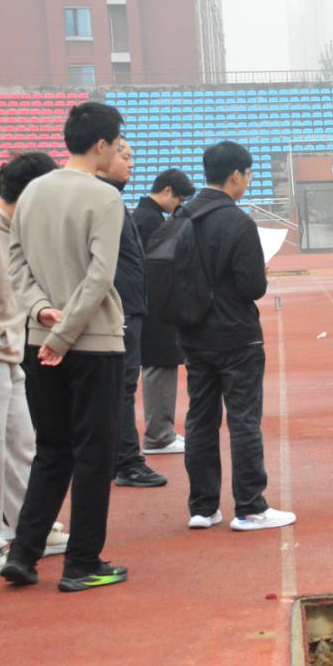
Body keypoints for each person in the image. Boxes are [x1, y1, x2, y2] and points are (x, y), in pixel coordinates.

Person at [3, 102, 130, 592]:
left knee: (52, 450)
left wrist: (41, 312)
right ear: (100, 145)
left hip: (39, 342)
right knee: (95, 455)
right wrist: (66, 333)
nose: (119, 152)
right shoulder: (104, 198)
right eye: (116, 144)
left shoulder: (33, 190)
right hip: (93, 344)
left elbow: (16, 263)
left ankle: (23, 554)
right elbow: (100, 277)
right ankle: (82, 563)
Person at [179, 141, 296, 531]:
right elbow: (252, 287)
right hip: (235, 335)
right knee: (244, 419)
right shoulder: (238, 222)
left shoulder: (181, 216)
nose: (248, 181)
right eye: (247, 174)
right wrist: (258, 271)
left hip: (194, 332)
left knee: (200, 418)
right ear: (235, 175)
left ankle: (202, 507)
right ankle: (249, 506)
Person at [0, 154, 70, 575]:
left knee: (21, 446)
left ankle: (31, 526)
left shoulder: (10, 231)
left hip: (4, 354)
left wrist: (36, 313)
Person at [97, 140, 169, 489]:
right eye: (125, 156)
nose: (132, 164)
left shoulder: (113, 199)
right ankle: (126, 461)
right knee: (121, 387)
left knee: (120, 387)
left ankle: (117, 459)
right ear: (101, 152)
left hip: (127, 305)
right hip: (119, 308)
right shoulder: (103, 200)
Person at [134, 169, 195, 457]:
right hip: (155, 307)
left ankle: (161, 431)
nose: (180, 206)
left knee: (160, 367)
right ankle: (159, 435)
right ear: (167, 190)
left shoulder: (147, 216)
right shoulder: (150, 220)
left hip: (151, 304)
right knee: (160, 367)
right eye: (180, 199)